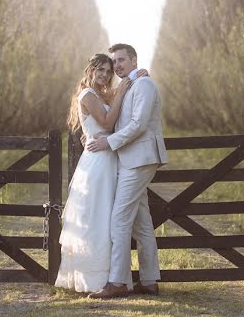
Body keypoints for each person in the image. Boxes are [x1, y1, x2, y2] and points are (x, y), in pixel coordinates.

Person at [54, 53, 148, 293]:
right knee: (96, 217)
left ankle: (115, 277)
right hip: (97, 163)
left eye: (109, 71)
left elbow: (118, 117)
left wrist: (138, 76)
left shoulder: (106, 94)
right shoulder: (87, 95)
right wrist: (122, 91)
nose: (106, 75)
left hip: (112, 159)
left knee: (113, 219)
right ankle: (95, 279)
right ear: (91, 71)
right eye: (101, 70)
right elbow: (106, 123)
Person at [86, 43, 168, 299]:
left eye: (122, 60)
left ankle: (118, 282)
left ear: (134, 60)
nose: (117, 65)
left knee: (119, 220)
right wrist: (94, 135)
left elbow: (139, 125)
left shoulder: (144, 85)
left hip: (140, 159)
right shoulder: (132, 84)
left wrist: (107, 142)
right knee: (142, 223)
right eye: (115, 61)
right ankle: (149, 280)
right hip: (132, 159)